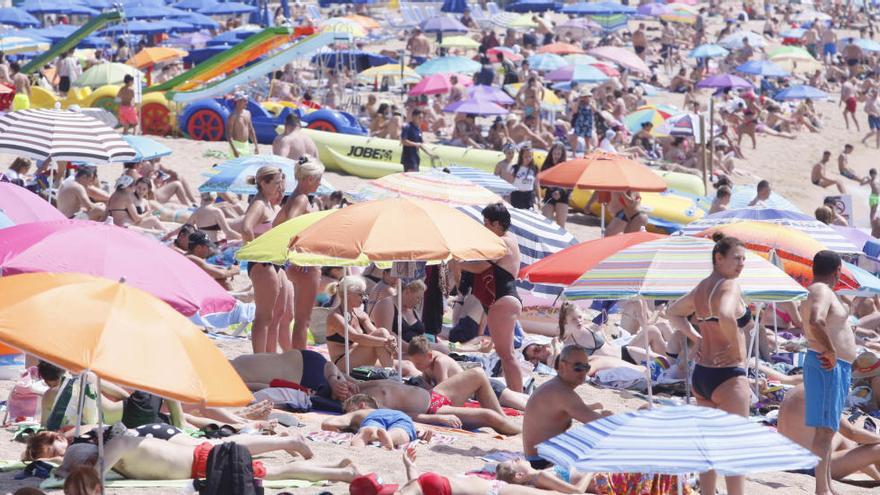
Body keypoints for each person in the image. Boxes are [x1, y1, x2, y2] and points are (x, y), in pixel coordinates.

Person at [54, 431, 360, 483]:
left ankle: (342, 475)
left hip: (203, 463)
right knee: (275, 470)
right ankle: (336, 467)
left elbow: (96, 475)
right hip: (201, 458)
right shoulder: (121, 447)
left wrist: (67, 474)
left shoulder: (118, 447)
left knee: (279, 474)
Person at [800, 250, 858, 495]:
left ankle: (826, 485)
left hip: (834, 366)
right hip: (828, 364)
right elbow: (816, 320)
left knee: (828, 429)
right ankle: (821, 490)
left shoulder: (820, 290)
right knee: (824, 432)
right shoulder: (822, 290)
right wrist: (832, 350)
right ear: (837, 270)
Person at [323, 362, 520, 434]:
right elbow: (406, 416)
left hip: (433, 395)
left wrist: (334, 381)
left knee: (477, 373)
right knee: (487, 417)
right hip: (433, 409)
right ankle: (519, 432)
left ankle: (505, 420)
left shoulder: (353, 387)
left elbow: (329, 365)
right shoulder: (370, 409)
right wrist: (436, 419)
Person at [457, 203, 524, 392]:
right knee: (505, 354)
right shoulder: (509, 239)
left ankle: (518, 396)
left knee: (507, 355)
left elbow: (480, 266)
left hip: (504, 299)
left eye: (486, 223)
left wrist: (458, 263)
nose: (484, 227)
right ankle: (516, 394)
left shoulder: (503, 241)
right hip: (501, 300)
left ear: (496, 224)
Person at [523, 345, 610, 469]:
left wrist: (593, 408)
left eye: (586, 367)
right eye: (578, 367)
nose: (583, 372)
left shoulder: (556, 387)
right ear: (563, 366)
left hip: (537, 457)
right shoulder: (562, 393)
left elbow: (567, 411)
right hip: (542, 461)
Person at [777, 384, 880, 483]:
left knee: (840, 435)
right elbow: (851, 432)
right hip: (807, 468)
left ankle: (877, 477)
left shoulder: (796, 389)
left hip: (784, 461)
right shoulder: (821, 394)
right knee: (877, 449)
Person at [274, 158, 326, 350]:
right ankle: (301, 358)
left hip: (295, 262)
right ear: (310, 178)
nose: (320, 183)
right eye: (319, 179)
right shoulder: (302, 199)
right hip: (304, 263)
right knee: (303, 320)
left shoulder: (293, 197)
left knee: (292, 317)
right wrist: (297, 249)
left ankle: (293, 355)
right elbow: (289, 224)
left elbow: (276, 224)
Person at [406, 336, 528, 410]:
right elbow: (427, 384)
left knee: (525, 406)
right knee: (525, 400)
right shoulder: (427, 364)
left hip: (488, 388)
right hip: (479, 391)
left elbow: (442, 392)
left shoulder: (440, 363)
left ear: (429, 355)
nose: (417, 367)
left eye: (418, 363)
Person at [241, 166, 287, 354]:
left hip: (272, 261)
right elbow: (245, 228)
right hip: (263, 262)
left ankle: (269, 356)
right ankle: (259, 358)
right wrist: (255, 252)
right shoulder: (259, 204)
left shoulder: (269, 204)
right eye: (276, 183)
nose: (279, 186)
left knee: (276, 314)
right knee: (263, 316)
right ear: (263, 183)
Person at [324, 275, 399, 371]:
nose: (364, 297)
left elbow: (377, 333)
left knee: (406, 365)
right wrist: (385, 342)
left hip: (359, 358)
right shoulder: (335, 316)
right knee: (381, 334)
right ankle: (393, 376)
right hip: (342, 364)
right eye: (360, 294)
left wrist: (391, 342)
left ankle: (393, 374)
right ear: (348, 295)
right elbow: (356, 337)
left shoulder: (361, 314)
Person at [321, 394, 422, 449]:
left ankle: (366, 434)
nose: (346, 412)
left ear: (361, 405)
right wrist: (419, 432)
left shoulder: (359, 412)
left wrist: (346, 428)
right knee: (402, 432)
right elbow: (415, 428)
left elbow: (328, 424)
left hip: (373, 419)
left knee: (370, 430)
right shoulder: (388, 411)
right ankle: (389, 437)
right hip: (402, 416)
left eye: (348, 410)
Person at [540, 141, 570, 228]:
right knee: (545, 224)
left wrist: (559, 192)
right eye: (554, 153)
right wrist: (547, 185)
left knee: (560, 226)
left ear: (562, 154)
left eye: (558, 154)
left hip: (562, 197)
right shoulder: (546, 165)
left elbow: (569, 185)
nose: (556, 156)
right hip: (549, 196)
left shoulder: (566, 166)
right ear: (551, 153)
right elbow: (541, 183)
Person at [508, 143, 540, 210]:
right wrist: (507, 198)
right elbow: (509, 184)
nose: (528, 158)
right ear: (521, 156)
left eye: (530, 156)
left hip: (529, 196)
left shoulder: (534, 168)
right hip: (517, 195)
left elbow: (537, 184)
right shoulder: (515, 168)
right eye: (525, 156)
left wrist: (539, 199)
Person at [227, 92, 259, 157]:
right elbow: (228, 135)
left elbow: (251, 130)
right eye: (244, 101)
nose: (246, 102)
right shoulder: (233, 116)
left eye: (246, 100)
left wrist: (256, 146)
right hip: (236, 145)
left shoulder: (248, 113)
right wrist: (234, 150)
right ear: (238, 102)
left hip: (246, 145)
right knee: (235, 166)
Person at [569, 90, 595, 155]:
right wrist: (578, 101)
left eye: (587, 96)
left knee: (587, 139)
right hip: (580, 121)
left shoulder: (592, 102)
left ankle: (587, 153)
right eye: (585, 96)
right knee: (575, 137)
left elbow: (594, 110)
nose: (586, 98)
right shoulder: (579, 103)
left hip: (588, 122)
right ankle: (574, 153)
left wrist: (590, 103)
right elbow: (575, 111)